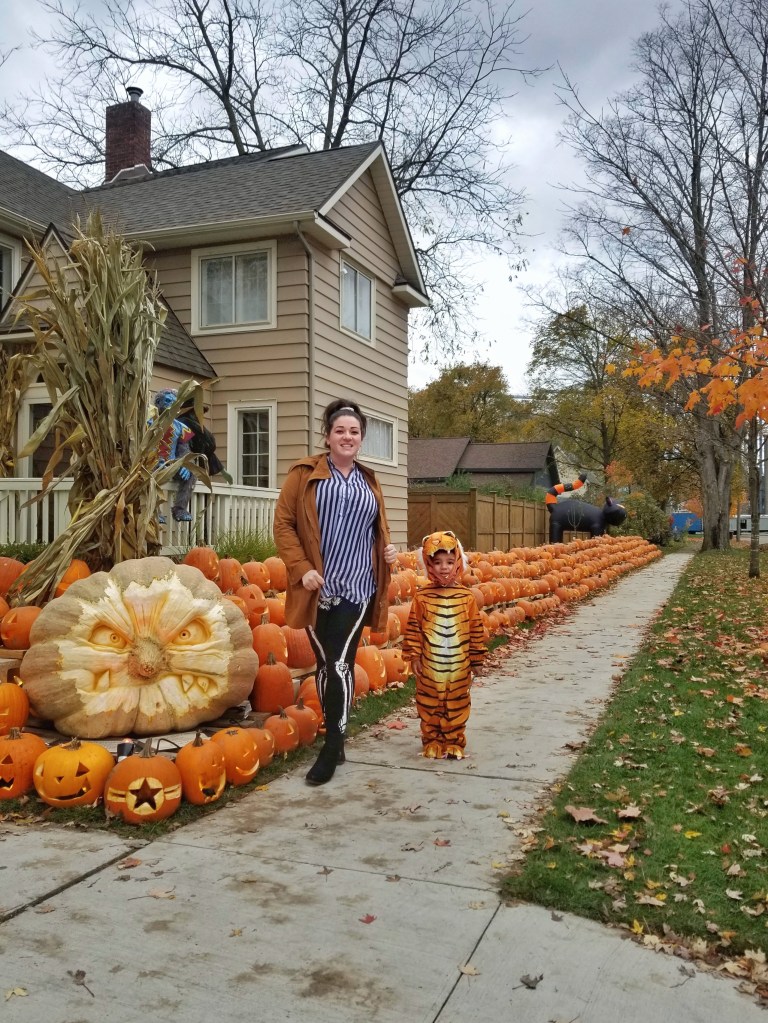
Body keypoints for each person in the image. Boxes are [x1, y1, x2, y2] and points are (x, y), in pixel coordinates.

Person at [273, 399, 398, 785]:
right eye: (340, 430)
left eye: (354, 431)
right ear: (327, 436)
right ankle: (336, 734)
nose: (347, 436)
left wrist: (388, 550)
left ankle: (332, 745)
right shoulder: (304, 474)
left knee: (340, 661)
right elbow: (284, 526)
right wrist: (302, 569)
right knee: (325, 662)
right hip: (315, 589)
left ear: (361, 439)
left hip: (358, 585)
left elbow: (377, 530)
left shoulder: (369, 481)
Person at [402, 531, 486, 760]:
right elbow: (414, 628)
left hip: (459, 667)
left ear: (458, 562)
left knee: (457, 704)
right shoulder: (422, 597)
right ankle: (432, 741)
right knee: (429, 705)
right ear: (428, 564)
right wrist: (414, 656)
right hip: (430, 667)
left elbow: (476, 629)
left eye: (450, 562)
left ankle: (453, 742)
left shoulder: (466, 597)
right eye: (437, 562)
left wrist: (477, 659)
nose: (444, 568)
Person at [152, 389, 195, 522]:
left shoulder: (180, 427)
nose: (171, 405)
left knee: (191, 475)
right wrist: (154, 460)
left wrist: (184, 465)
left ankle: (180, 509)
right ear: (158, 403)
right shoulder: (150, 424)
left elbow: (184, 451)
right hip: (152, 463)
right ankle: (153, 511)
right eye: (168, 401)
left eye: (174, 402)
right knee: (149, 476)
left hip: (171, 464)